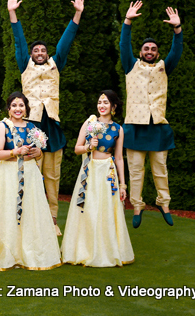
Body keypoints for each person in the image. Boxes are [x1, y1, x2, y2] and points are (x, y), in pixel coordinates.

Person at [8, 0, 85, 236]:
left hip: (52, 126)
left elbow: (66, 41)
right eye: (36, 51)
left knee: (52, 177)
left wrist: (77, 13)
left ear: (47, 53)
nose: (39, 53)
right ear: (31, 55)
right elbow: (19, 41)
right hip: (31, 126)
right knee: (30, 175)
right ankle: (29, 217)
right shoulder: (24, 64)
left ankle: (52, 220)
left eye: (43, 50)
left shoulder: (56, 64)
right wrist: (13, 14)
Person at [0, 92, 61, 271]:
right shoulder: (2, 127)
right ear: (8, 108)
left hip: (30, 174)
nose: (18, 109)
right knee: (8, 211)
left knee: (30, 211)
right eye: (14, 105)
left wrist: (37, 153)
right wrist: (15, 152)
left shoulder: (32, 127)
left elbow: (40, 152)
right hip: (9, 174)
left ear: (26, 108)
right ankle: (8, 253)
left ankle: (29, 252)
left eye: (21, 105)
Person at [120, 1, 182, 228]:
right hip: (135, 127)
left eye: (153, 49)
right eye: (146, 49)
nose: (149, 51)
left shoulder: (164, 67)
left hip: (157, 126)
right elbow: (123, 46)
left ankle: (164, 203)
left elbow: (177, 51)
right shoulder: (130, 65)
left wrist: (177, 30)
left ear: (157, 53)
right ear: (140, 52)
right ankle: (137, 206)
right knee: (136, 171)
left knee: (160, 169)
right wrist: (127, 22)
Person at [61, 90, 134, 267]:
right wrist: (88, 146)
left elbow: (118, 158)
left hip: (108, 172)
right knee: (88, 208)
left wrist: (123, 185)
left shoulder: (118, 129)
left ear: (113, 107)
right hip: (90, 170)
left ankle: (107, 251)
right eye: (100, 102)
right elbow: (77, 148)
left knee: (107, 210)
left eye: (106, 103)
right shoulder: (90, 122)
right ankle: (84, 250)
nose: (101, 106)